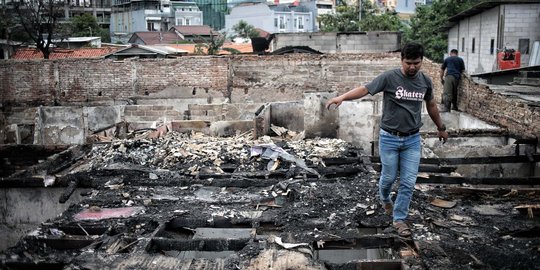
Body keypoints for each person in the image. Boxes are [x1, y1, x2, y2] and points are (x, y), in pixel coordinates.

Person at [326, 43, 449, 237]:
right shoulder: (389, 78)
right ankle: (384, 198)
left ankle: (399, 219)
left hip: (412, 140)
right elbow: (365, 89)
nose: (412, 67)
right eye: (408, 63)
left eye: (416, 63)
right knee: (389, 179)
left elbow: (431, 104)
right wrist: (342, 97)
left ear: (421, 61)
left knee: (408, 182)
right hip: (389, 139)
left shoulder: (425, 81)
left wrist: (441, 128)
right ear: (401, 60)